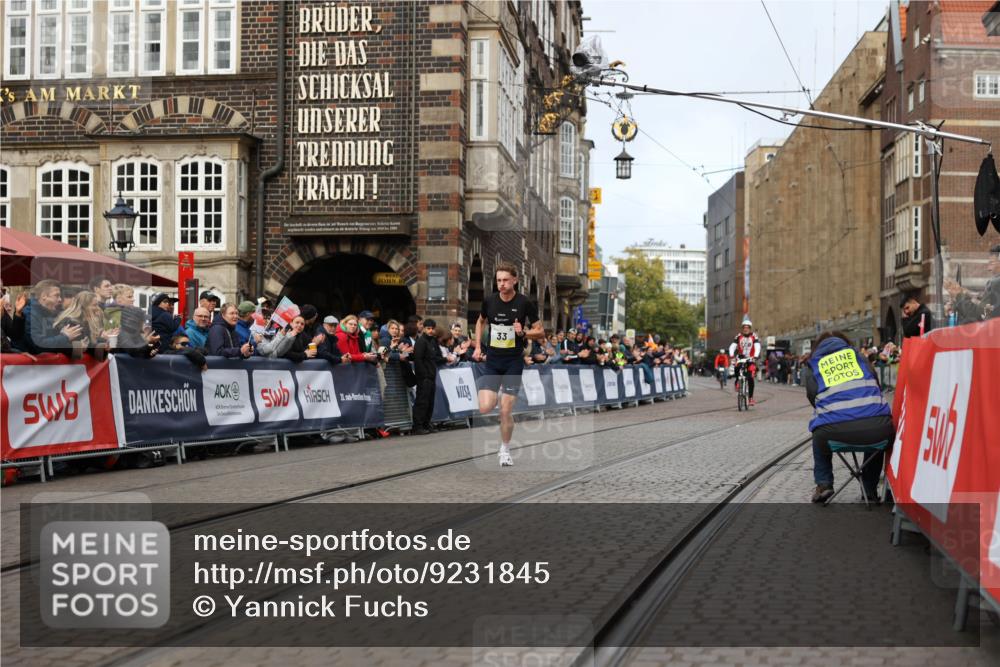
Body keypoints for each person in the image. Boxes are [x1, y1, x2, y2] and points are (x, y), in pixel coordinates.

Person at [806, 331, 894, 503]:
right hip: (880, 430)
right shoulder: (860, 357)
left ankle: (824, 484)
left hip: (833, 433)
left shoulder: (815, 363)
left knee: (817, 431)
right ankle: (869, 489)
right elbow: (875, 383)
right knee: (874, 433)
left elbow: (812, 396)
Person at [472, 262, 545, 467]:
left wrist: (523, 332)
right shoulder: (489, 301)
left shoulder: (524, 303)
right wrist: (478, 346)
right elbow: (480, 321)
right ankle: (496, 396)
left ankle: (504, 449)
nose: (502, 284)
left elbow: (540, 332)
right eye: (499, 280)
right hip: (493, 360)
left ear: (515, 281)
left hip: (513, 361)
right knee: (486, 407)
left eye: (505, 280)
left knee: (505, 411)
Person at [22, 280, 84, 353]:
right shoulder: (30, 314)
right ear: (44, 296)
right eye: (56, 295)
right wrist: (65, 337)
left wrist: (76, 348)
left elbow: (53, 344)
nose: (60, 299)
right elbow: (38, 345)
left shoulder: (50, 313)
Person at [411, 318, 444, 434]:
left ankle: (426, 423)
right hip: (424, 377)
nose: (430, 331)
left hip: (431, 375)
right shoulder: (421, 342)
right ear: (424, 329)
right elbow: (418, 359)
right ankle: (417, 426)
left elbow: (435, 358)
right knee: (422, 401)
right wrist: (423, 375)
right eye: (428, 328)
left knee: (430, 402)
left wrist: (445, 359)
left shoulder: (433, 341)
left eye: (432, 329)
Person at [729, 317, 761, 406]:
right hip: (741, 357)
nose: (745, 329)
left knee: (750, 377)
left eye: (747, 328)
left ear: (750, 329)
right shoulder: (738, 336)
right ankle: (737, 381)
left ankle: (750, 398)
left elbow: (757, 346)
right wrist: (732, 356)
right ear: (742, 328)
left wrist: (755, 356)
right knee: (737, 368)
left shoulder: (754, 336)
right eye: (744, 328)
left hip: (751, 358)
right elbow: (732, 346)